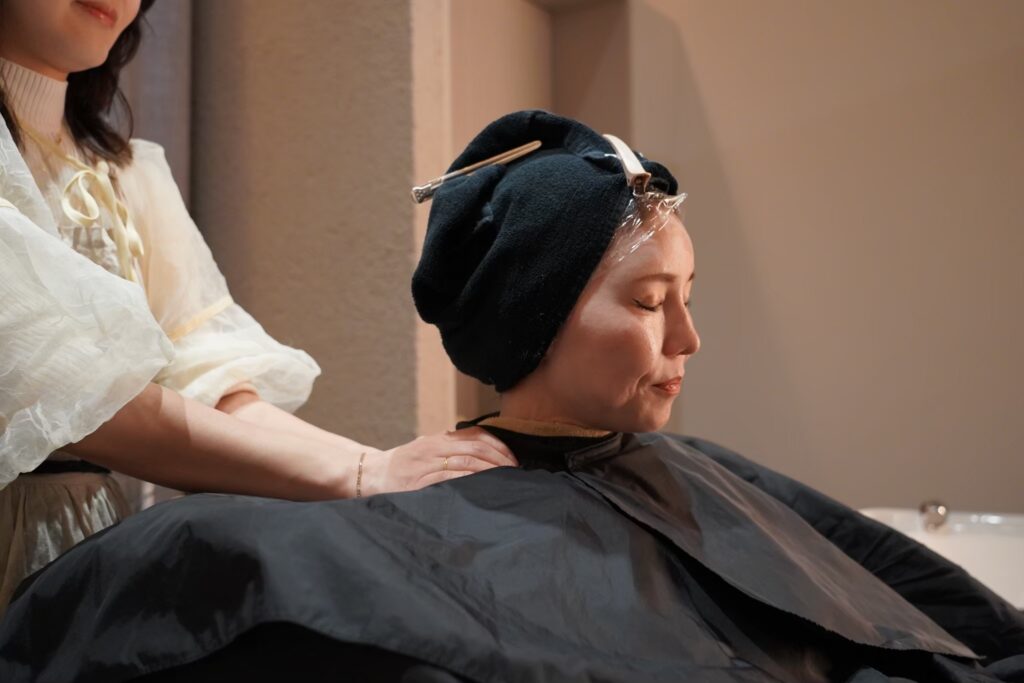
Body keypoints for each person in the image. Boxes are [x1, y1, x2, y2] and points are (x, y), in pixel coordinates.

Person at [1, 111, 1022, 682]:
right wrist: (361, 472)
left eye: (689, 298)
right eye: (649, 301)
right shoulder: (374, 549)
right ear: (535, 314)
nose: (689, 340)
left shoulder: (694, 471)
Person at [0, 0, 515, 616]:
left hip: (90, 560)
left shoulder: (126, 174)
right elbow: (96, 404)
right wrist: (362, 474)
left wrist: (383, 468)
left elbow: (211, 382)